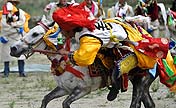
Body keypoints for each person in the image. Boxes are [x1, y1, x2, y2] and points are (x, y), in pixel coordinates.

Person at [52, 3, 169, 101]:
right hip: (114, 38)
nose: (62, 33)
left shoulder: (88, 37)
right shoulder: (84, 29)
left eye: (63, 30)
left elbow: (84, 58)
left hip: (131, 43)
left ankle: (116, 86)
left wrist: (69, 54)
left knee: (118, 67)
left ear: (70, 28)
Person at [0, 0, 30, 77]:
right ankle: (6, 72)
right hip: (7, 38)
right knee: (6, 56)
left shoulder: (20, 12)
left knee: (20, 55)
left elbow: (22, 23)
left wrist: (14, 25)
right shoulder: (4, 14)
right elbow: (4, 26)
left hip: (18, 38)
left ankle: (21, 71)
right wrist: (15, 28)